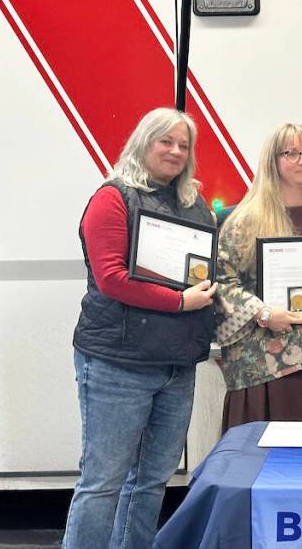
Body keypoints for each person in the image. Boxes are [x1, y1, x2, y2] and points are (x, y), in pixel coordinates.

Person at [63, 108, 218, 549]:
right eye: (164, 141)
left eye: (183, 145)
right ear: (142, 143)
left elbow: (206, 269)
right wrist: (179, 301)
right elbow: (112, 278)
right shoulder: (113, 198)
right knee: (103, 482)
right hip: (118, 363)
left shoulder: (193, 203)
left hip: (175, 365)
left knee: (151, 481)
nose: (174, 151)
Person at [216, 123, 302, 428]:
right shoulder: (246, 220)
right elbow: (221, 283)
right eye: (291, 153)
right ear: (272, 161)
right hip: (262, 370)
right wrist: (262, 312)